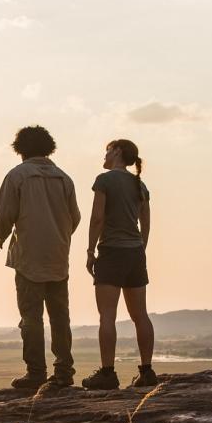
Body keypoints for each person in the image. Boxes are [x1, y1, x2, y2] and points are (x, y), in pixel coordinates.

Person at [0, 125, 81, 393]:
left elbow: (4, 215)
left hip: (28, 257)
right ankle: (64, 371)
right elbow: (75, 217)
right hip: (58, 256)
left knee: (31, 317)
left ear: (20, 150)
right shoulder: (64, 179)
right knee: (60, 316)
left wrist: (2, 234)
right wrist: (59, 235)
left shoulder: (17, 176)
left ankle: (36, 373)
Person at [82, 138, 157, 390]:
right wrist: (141, 248)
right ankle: (146, 371)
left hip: (112, 251)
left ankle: (107, 373)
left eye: (107, 150)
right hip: (135, 253)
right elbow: (145, 223)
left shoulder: (104, 181)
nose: (103, 155)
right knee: (140, 316)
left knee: (107, 316)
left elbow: (97, 218)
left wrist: (91, 250)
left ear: (117, 152)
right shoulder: (140, 184)